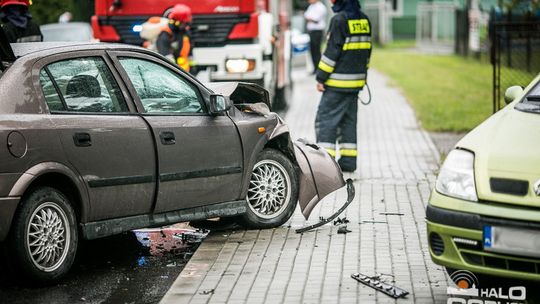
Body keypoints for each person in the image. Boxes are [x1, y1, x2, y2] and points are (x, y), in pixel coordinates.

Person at [314, 0, 371, 173]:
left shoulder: (339, 20)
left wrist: (320, 77)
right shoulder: (364, 20)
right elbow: (367, 52)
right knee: (348, 121)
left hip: (337, 84)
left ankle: (325, 164)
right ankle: (348, 161)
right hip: (355, 84)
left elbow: (331, 53)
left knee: (325, 121)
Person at [156, 4, 193, 72]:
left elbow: (189, 52)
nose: (186, 25)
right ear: (178, 22)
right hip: (173, 73)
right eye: (184, 23)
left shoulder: (185, 32)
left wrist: (193, 68)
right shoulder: (166, 34)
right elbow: (166, 57)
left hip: (186, 73)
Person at [304, 0, 326, 74]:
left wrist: (310, 18)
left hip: (317, 32)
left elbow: (315, 19)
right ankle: (315, 67)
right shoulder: (311, 7)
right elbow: (306, 16)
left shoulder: (321, 7)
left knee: (317, 51)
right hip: (311, 31)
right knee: (312, 50)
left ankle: (319, 68)